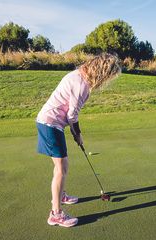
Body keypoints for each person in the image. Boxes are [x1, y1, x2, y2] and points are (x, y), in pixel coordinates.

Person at [36, 53, 121, 227]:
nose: (107, 80)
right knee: (61, 168)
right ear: (102, 72)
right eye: (109, 76)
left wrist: (75, 133)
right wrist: (78, 134)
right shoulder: (81, 84)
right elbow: (72, 115)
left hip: (48, 121)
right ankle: (56, 214)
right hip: (50, 124)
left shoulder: (77, 74)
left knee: (61, 166)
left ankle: (62, 195)